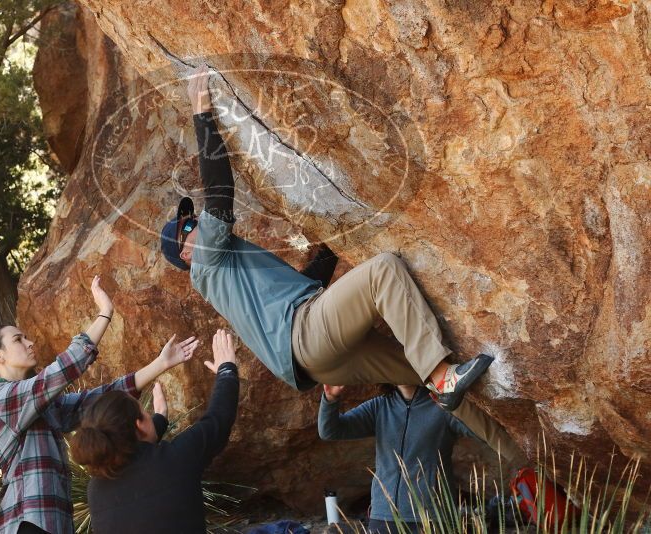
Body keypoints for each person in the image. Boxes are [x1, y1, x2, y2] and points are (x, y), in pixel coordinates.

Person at [158, 65, 519, 457]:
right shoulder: (208, 265)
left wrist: (335, 242)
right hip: (307, 336)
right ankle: (442, 376)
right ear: (186, 253)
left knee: (424, 377)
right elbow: (220, 191)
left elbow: (305, 283)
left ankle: (524, 464)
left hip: (315, 356)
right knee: (384, 272)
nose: (196, 223)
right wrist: (201, 112)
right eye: (189, 226)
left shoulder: (228, 270)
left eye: (192, 219)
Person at [0, 275, 200, 534]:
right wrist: (105, 314)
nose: (30, 342)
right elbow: (62, 370)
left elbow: (96, 400)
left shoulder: (40, 404)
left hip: (50, 524)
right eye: (18, 340)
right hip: (27, 523)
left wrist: (161, 363)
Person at [70, 328, 240, 534]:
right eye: (146, 413)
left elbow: (135, 453)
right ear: (138, 425)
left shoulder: (96, 491)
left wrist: (160, 417)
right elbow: (218, 419)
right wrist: (227, 369)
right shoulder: (176, 459)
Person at [318, 384, 517, 533]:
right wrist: (330, 398)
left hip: (430, 518)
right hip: (383, 516)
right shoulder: (379, 406)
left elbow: (484, 432)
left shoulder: (442, 407)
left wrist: (456, 400)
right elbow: (330, 431)